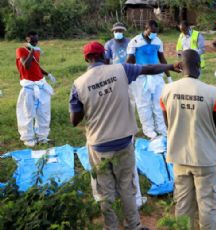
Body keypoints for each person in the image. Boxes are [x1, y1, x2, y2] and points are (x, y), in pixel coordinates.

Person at [69, 41, 180, 229]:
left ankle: (111, 227)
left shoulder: (78, 84)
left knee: (105, 190)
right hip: (123, 141)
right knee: (127, 187)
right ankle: (134, 225)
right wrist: (170, 66)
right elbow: (149, 68)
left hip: (99, 145)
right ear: (104, 56)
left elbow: (74, 120)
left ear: (86, 59)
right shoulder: (121, 70)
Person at [160, 49, 216, 229]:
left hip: (179, 156)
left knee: (182, 204)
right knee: (207, 205)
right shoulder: (212, 92)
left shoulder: (167, 91)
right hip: (205, 157)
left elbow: (169, 124)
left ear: (180, 66)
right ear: (198, 67)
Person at [104, 22, 146, 208]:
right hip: (114, 77)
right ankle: (131, 200)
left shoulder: (130, 42)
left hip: (128, 74)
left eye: (121, 30)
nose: (118, 33)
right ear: (112, 32)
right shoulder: (109, 45)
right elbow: (107, 61)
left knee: (132, 101)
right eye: (116, 31)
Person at [126, 20, 171, 139]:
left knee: (159, 102)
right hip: (141, 77)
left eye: (156, 32)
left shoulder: (158, 41)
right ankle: (148, 129)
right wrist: (125, 75)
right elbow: (129, 60)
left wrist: (169, 76)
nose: (154, 34)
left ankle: (161, 127)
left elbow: (162, 59)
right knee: (143, 104)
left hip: (157, 76)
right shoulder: (135, 42)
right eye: (152, 32)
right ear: (146, 29)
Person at [15, 31, 56, 147]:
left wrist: (47, 74)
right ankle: (28, 138)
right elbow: (26, 66)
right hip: (29, 87)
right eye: (32, 41)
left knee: (44, 112)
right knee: (28, 113)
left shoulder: (36, 51)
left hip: (41, 84)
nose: (35, 43)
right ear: (27, 39)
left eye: (36, 41)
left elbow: (36, 66)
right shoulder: (21, 50)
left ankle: (42, 137)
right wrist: (32, 50)